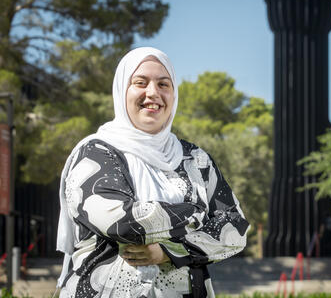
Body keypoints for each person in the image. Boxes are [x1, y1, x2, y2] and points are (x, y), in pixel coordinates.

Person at [56, 47, 250, 298]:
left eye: (163, 84)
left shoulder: (196, 159)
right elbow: (123, 223)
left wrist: (171, 251)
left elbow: (237, 228)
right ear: (121, 90)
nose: (153, 93)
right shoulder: (96, 152)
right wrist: (199, 215)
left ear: (174, 93)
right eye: (140, 83)